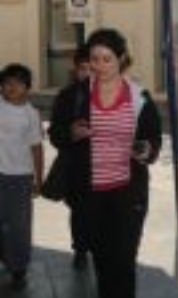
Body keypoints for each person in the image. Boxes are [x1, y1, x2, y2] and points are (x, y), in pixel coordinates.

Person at [47, 28, 162, 298]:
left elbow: (153, 141)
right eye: (94, 59)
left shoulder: (139, 98)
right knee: (102, 261)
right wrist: (71, 133)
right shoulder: (73, 96)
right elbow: (56, 134)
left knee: (124, 260)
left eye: (107, 59)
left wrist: (145, 150)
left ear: (121, 59)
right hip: (89, 195)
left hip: (128, 194)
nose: (99, 66)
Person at [0, 64, 44, 291]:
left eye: (17, 83)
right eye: (6, 83)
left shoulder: (31, 114)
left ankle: (18, 268)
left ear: (27, 87)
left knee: (19, 226)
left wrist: (39, 179)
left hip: (19, 178)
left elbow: (37, 148)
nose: (11, 87)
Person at [48, 45, 92, 270]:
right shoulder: (67, 96)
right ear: (76, 69)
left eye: (93, 68)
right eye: (84, 68)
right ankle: (81, 249)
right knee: (81, 212)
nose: (89, 74)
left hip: (108, 169)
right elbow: (55, 134)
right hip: (78, 168)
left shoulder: (119, 94)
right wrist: (71, 133)